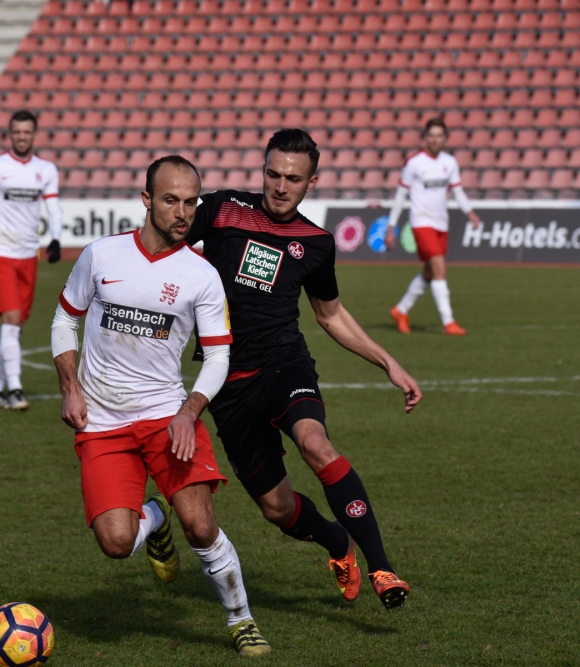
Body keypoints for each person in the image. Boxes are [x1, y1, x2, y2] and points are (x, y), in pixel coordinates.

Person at [185, 129, 422, 610]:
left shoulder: (316, 242)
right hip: (224, 379)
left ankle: (382, 568)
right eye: (273, 174)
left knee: (315, 443)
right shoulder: (222, 209)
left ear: (311, 182)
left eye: (293, 178)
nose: (280, 186)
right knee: (277, 508)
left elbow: (330, 315)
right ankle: (337, 543)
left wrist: (388, 361)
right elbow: (163, 242)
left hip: (283, 364)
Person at [51, 156, 272, 657]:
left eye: (191, 202)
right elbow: (65, 321)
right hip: (102, 420)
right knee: (116, 543)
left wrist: (189, 411)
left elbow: (218, 356)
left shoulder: (202, 275)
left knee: (201, 525)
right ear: (147, 199)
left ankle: (241, 619)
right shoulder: (101, 255)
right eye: (171, 200)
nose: (183, 212)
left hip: (167, 417)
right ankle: (154, 516)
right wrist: (70, 387)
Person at [0, 110, 63, 411]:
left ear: (34, 135)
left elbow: (53, 208)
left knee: (16, 326)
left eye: (26, 132)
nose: (22, 137)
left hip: (28, 254)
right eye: (17, 132)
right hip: (0, 252)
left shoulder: (46, 169)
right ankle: (16, 389)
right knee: (11, 319)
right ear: (10, 134)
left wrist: (55, 238)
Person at [386, 117, 480, 336]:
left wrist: (470, 212)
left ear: (445, 138)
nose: (435, 139)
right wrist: (391, 226)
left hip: (441, 222)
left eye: (439, 136)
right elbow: (400, 196)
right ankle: (449, 322)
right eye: (431, 135)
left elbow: (457, 191)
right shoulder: (414, 162)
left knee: (429, 272)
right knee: (439, 266)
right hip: (421, 221)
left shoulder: (450, 162)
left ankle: (401, 310)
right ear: (425, 137)